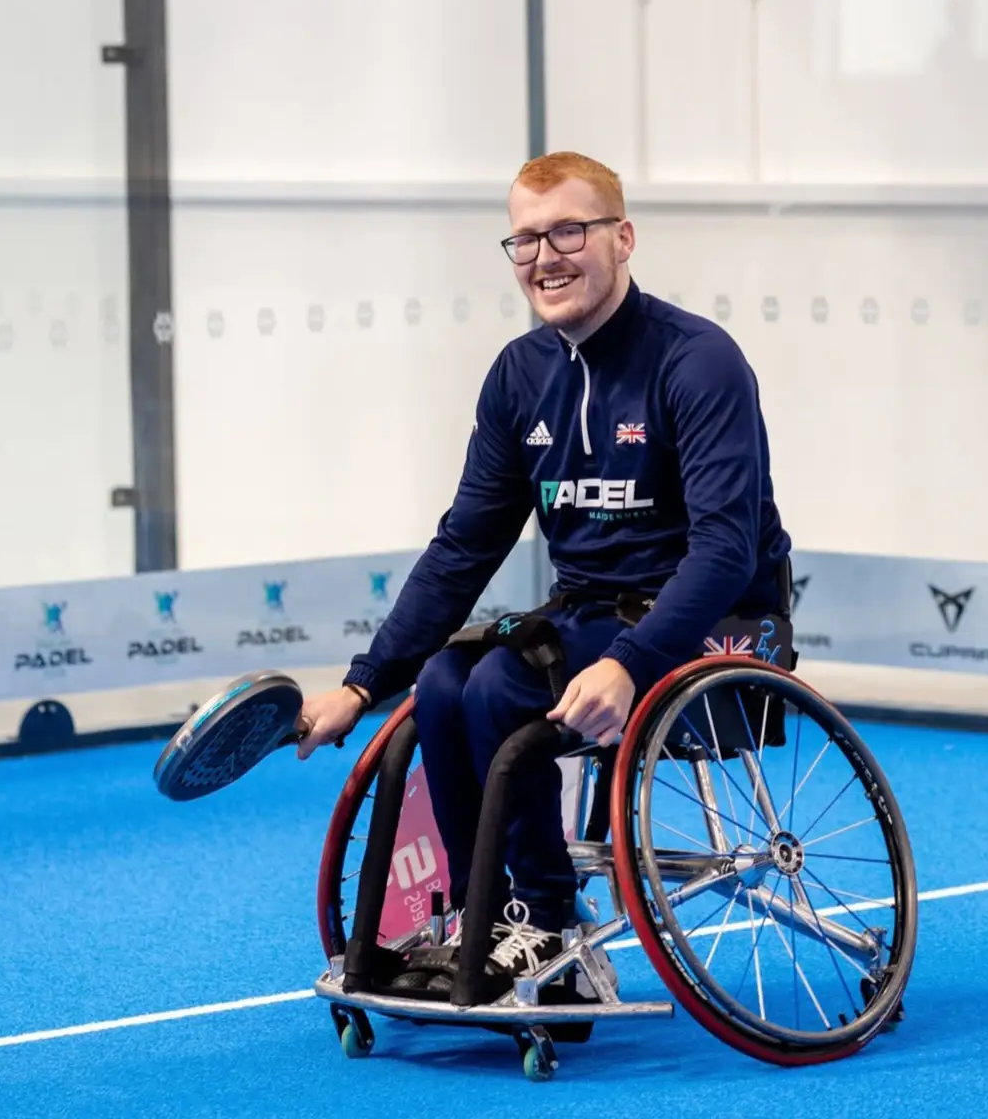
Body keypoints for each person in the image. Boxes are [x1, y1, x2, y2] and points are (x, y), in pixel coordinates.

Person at [297, 150, 792, 995]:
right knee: (449, 680)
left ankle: (544, 922)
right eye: (524, 240)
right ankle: (487, 915)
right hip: (590, 614)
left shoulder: (698, 360)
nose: (544, 257)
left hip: (721, 617)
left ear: (623, 237)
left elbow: (725, 551)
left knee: (498, 688)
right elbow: (464, 547)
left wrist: (630, 663)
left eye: (569, 229)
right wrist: (363, 682)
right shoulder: (519, 376)